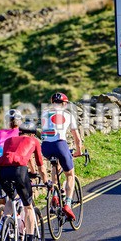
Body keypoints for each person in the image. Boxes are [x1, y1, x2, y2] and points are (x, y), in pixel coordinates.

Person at [0, 120, 50, 241]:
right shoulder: (34, 142)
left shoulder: (10, 140)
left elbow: (15, 156)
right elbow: (40, 166)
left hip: (2, 172)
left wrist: (30, 170)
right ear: (32, 134)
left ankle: (2, 227)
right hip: (19, 171)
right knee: (28, 207)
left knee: (11, 199)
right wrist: (46, 181)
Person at [40, 92, 84, 220]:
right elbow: (77, 139)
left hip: (46, 147)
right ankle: (68, 204)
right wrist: (79, 151)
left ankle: (54, 193)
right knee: (70, 175)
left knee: (55, 166)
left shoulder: (44, 114)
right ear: (64, 103)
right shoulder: (68, 115)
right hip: (60, 144)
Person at [0, 109, 23, 212]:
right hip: (9, 166)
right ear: (20, 121)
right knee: (14, 197)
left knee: (1, 202)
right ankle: (16, 222)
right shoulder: (20, 133)